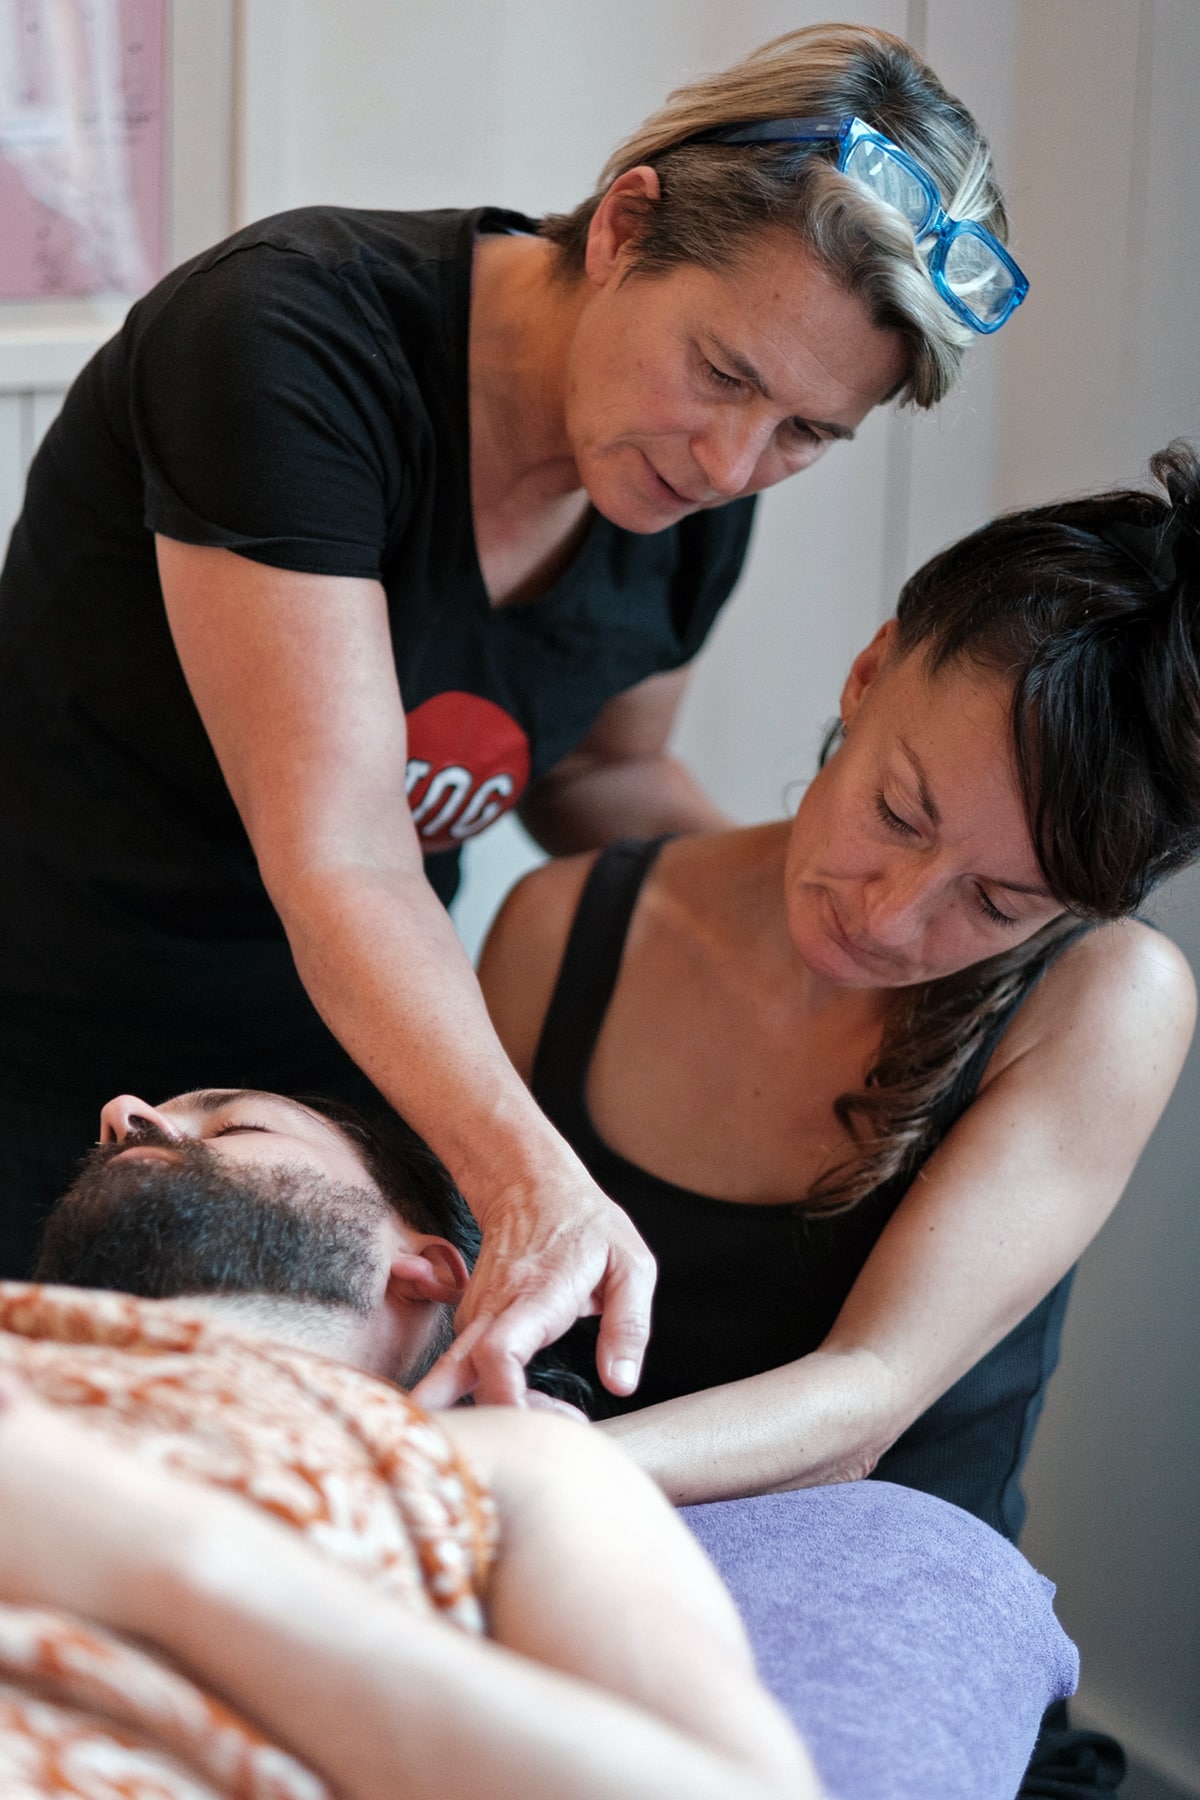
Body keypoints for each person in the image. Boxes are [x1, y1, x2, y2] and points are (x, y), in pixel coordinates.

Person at [0, 24, 1026, 1405]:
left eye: (806, 433)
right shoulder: (287, 343)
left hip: (322, 1094)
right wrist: (533, 1177)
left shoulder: (677, 495)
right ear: (623, 226)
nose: (735, 462)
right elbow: (347, 849)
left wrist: (867, 922)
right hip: (45, 1035)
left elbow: (605, 773)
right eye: (724, 373)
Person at [463, 445, 1200, 1794]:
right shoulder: (562, 927)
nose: (894, 916)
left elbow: (861, 1403)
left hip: (879, 1645)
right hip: (554, 1591)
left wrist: (497, 1473)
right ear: (867, 676)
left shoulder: (1108, 997)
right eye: (900, 811)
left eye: (999, 903)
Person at [2, 1084, 1075, 1800]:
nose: (122, 1111)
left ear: (427, 1271)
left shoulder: (509, 1466)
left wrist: (156, 1551)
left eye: (237, 1125)